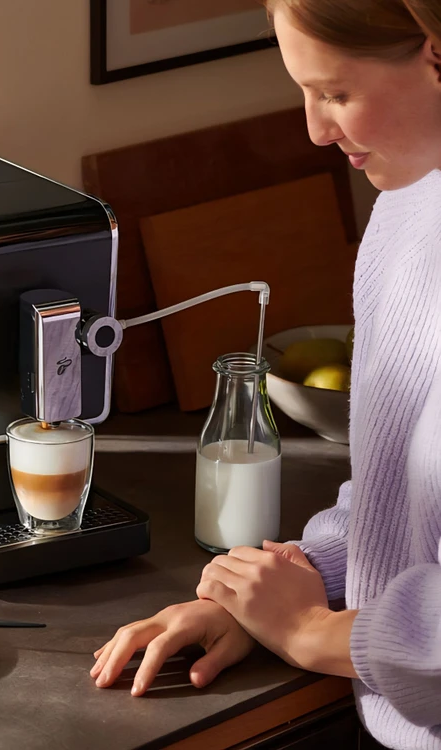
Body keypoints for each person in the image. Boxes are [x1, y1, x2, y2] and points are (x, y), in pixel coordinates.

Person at [90, 2, 441, 747]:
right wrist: (281, 587)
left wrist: (311, 630)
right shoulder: (410, 208)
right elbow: (400, 495)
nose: (315, 129)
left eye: (336, 93)